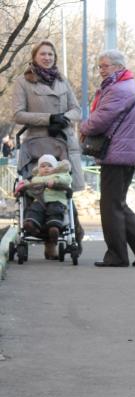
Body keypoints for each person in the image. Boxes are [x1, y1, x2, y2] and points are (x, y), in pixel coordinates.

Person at [80, 49, 135, 268]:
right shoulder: (127, 86)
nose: (101, 70)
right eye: (100, 66)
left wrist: (83, 126)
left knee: (110, 206)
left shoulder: (120, 89)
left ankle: (117, 255)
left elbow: (101, 119)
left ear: (118, 66)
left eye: (105, 66)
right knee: (117, 203)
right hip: (124, 153)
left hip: (117, 154)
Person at [12, 40, 85, 259]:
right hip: (38, 144)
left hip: (63, 142)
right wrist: (48, 118)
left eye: (51, 54)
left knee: (64, 189)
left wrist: (63, 119)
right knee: (40, 192)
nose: (47, 58)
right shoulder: (23, 82)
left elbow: (77, 109)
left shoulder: (62, 81)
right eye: (43, 54)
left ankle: (71, 236)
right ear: (34, 57)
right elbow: (17, 114)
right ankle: (52, 241)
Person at [16, 154, 72, 259]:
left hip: (56, 200)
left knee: (54, 212)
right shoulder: (36, 179)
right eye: (43, 166)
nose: (46, 168)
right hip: (40, 201)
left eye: (49, 166)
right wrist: (25, 187)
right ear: (38, 169)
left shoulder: (60, 174)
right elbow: (32, 192)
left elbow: (67, 179)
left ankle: (53, 228)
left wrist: (55, 181)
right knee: (33, 209)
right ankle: (31, 224)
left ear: (55, 167)